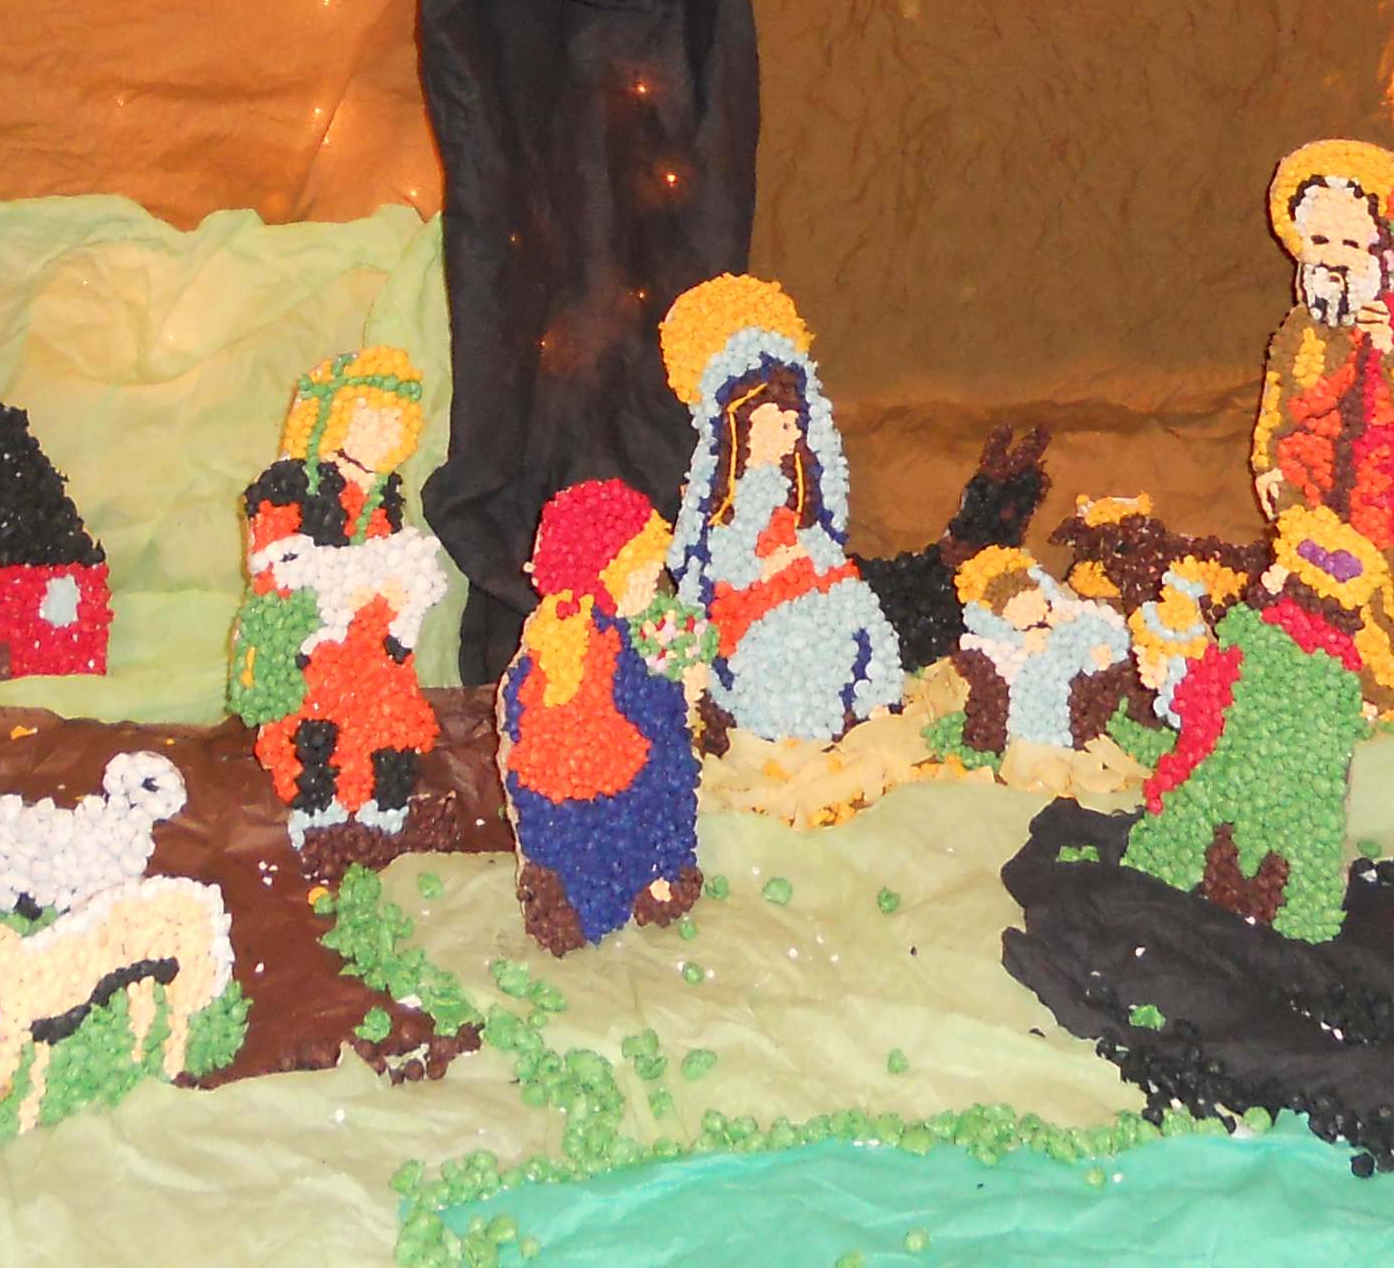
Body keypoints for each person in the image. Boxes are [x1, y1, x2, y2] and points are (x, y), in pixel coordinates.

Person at [1122, 504, 1394, 942]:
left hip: (1228, 784)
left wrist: (1175, 676)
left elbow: (1210, 698)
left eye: (1279, 568)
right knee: (1306, 850)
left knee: (1188, 823)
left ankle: (1161, 875)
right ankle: (1304, 913)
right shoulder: (1339, 673)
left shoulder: (1255, 641)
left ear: (1289, 583)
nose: (1269, 575)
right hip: (1305, 810)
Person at [660, 276, 900, 746]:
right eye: (777, 420)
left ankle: (862, 704)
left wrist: (807, 559)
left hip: (807, 585)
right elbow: (717, 563)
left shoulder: (794, 489)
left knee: (852, 611)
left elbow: (819, 543)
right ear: (743, 424)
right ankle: (796, 723)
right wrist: (770, 567)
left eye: (794, 421)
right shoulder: (726, 497)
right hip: (751, 607)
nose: (789, 432)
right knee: (792, 644)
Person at [230, 347, 454, 847]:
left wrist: (403, 587)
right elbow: (276, 561)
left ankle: (382, 809)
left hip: (378, 645)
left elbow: (400, 556)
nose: (385, 432)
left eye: (396, 420)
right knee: (319, 726)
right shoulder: (288, 485)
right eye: (371, 418)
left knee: (390, 723)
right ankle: (319, 811)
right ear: (333, 418)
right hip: (317, 648)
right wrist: (355, 583)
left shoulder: (384, 493)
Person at [1249, 137, 1394, 625]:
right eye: (1320, 242)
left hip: (1378, 493)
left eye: (1350, 244)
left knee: (1376, 594)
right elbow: (1278, 402)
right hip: (1307, 491)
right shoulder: (1298, 331)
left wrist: (1390, 353)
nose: (1334, 259)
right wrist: (1267, 464)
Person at [498, 480, 703, 952]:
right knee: (589, 834)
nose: (654, 581)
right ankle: (566, 894)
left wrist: (686, 684)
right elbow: (532, 726)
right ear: (605, 575)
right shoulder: (571, 641)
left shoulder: (638, 630)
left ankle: (655, 875)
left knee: (659, 789)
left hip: (626, 779)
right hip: (576, 787)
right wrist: (677, 692)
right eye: (643, 570)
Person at [943, 547, 1134, 761]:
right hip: (1043, 695)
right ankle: (1046, 743)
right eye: (1022, 609)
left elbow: (1092, 625)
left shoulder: (1065, 613)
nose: (1036, 612)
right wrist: (1026, 641)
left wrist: (1095, 647)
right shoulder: (1002, 643)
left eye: (1038, 603)